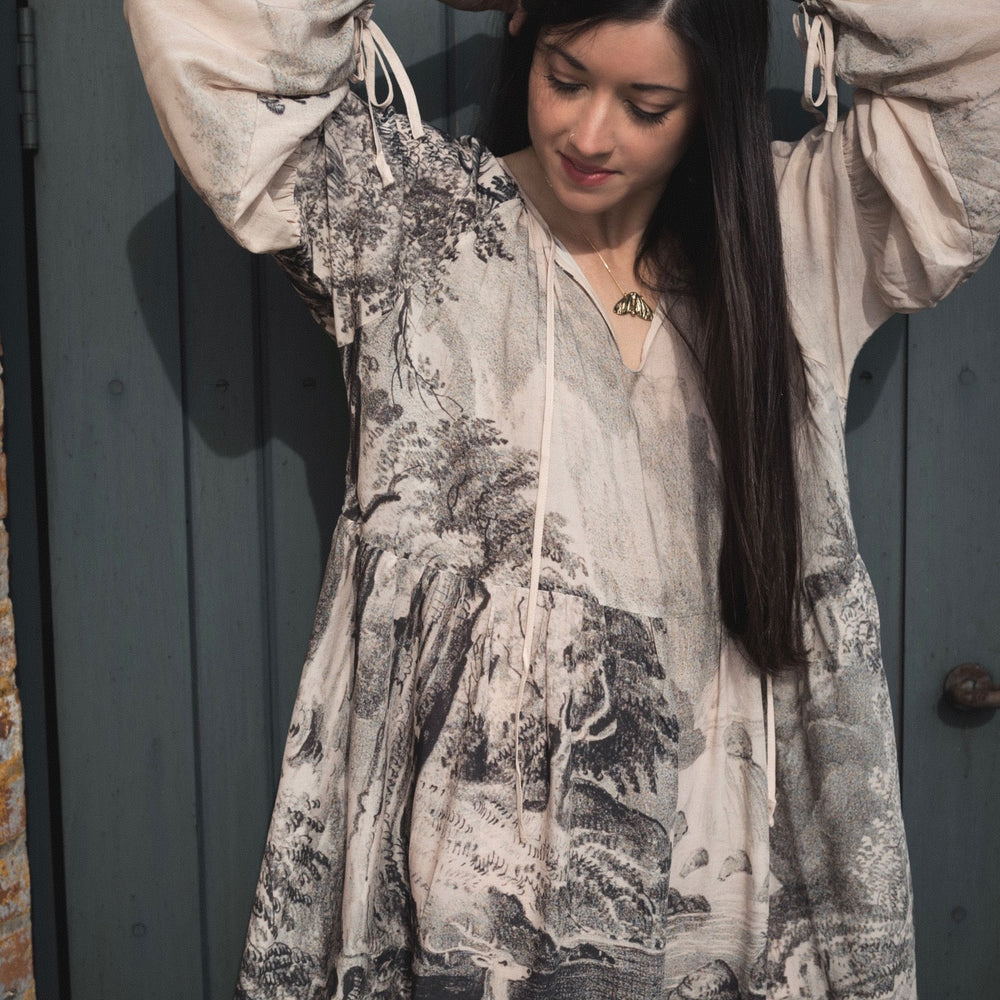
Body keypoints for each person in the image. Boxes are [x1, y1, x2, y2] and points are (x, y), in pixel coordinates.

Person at [124, 0, 999, 996]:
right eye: (567, 77)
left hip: (745, 876)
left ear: (710, 94)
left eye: (647, 102)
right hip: (474, 894)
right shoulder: (416, 225)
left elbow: (979, 73)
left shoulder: (805, 238)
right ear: (523, 37)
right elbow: (211, 49)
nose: (590, 135)